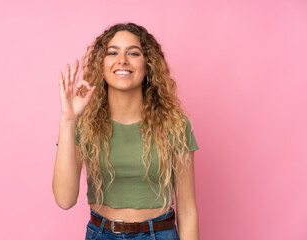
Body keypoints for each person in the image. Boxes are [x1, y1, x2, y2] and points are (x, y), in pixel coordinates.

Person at [53, 22, 200, 240]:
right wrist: (68, 120)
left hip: (159, 234)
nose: (122, 60)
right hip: (102, 234)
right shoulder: (83, 124)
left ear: (148, 64)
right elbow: (65, 200)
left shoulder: (175, 125)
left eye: (133, 52)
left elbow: (187, 211)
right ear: (102, 64)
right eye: (112, 52)